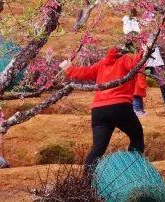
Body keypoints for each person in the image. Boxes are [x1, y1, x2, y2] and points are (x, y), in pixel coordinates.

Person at [61, 47, 145, 180]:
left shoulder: (102, 63)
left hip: (99, 110)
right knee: (137, 138)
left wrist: (69, 68)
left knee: (98, 149)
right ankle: (132, 174)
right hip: (120, 106)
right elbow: (136, 63)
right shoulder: (125, 60)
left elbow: (85, 73)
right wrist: (145, 52)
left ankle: (85, 183)